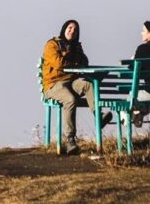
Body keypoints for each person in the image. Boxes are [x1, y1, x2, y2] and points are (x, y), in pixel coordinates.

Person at [42, 19, 107, 155]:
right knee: (70, 99)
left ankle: (99, 116)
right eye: (70, 28)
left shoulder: (76, 46)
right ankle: (70, 139)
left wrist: (77, 57)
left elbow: (85, 62)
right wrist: (73, 61)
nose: (72, 31)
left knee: (88, 84)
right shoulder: (52, 44)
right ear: (64, 28)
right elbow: (59, 63)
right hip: (54, 84)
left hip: (71, 81)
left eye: (75, 30)